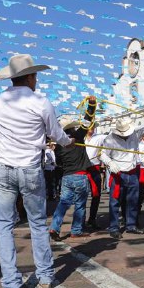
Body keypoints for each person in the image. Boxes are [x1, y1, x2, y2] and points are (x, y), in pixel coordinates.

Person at [0, 54, 73, 288]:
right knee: (36, 223)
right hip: (30, 168)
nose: (36, 80)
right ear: (30, 76)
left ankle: (12, 284)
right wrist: (68, 143)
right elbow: (56, 133)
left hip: (3, 166)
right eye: (35, 75)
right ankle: (46, 277)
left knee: (3, 225)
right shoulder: (41, 101)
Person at [100, 116, 144, 239]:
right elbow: (102, 154)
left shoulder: (135, 133)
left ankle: (131, 225)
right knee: (115, 202)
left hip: (133, 173)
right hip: (118, 174)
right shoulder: (110, 139)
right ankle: (114, 227)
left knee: (133, 201)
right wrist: (110, 163)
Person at [49, 98, 98, 241]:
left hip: (66, 177)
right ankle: (76, 230)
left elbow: (58, 163)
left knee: (63, 203)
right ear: (72, 128)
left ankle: (54, 227)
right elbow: (88, 120)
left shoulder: (58, 145)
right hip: (80, 175)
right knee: (80, 205)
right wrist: (92, 105)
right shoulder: (77, 136)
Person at [85, 125, 108, 230]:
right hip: (82, 169)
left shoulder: (99, 137)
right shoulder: (80, 138)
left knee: (96, 195)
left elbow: (112, 137)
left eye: (93, 126)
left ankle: (92, 219)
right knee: (81, 196)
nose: (91, 128)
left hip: (94, 169)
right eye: (89, 126)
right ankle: (79, 221)